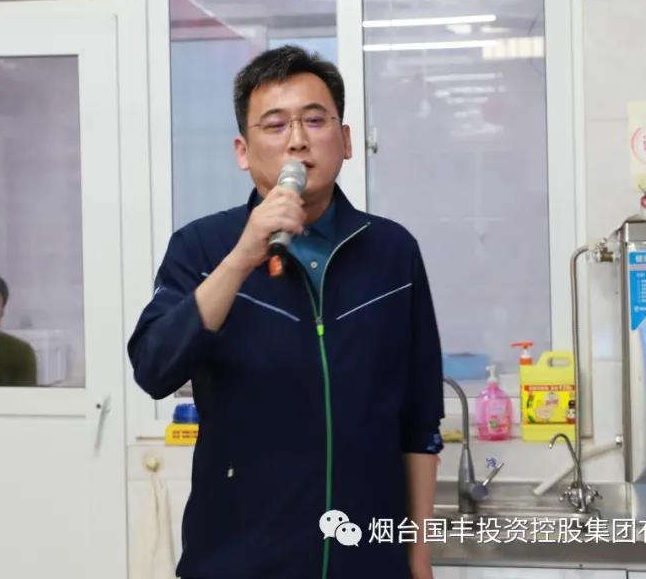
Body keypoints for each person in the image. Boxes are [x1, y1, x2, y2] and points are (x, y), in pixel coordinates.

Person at [129, 45, 444, 579]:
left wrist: (417, 558)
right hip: (237, 561)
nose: (297, 139)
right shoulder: (202, 248)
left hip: (366, 561)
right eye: (275, 125)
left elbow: (419, 419)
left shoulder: (393, 251)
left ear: (346, 141)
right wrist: (241, 258)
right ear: (243, 151)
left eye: (315, 121)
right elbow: (154, 368)